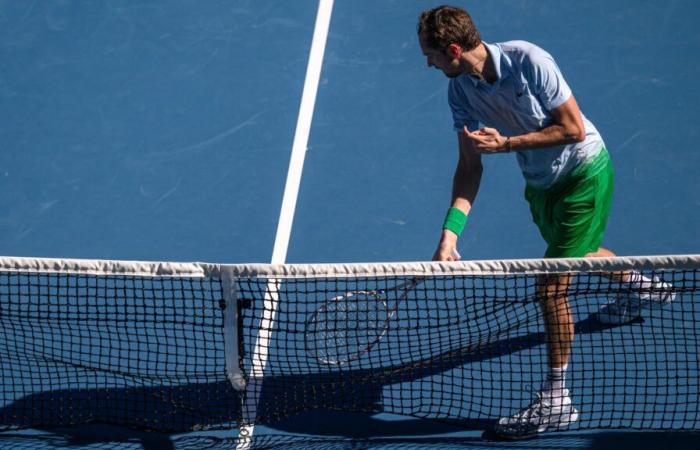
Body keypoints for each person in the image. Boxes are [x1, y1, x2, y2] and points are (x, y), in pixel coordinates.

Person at [417, 5, 675, 438]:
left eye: (433, 54)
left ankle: (556, 401)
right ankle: (643, 287)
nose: (429, 63)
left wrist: (509, 143)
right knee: (580, 251)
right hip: (541, 182)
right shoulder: (460, 91)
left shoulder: (529, 60)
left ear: (455, 50)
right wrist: (449, 234)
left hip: (583, 173)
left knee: (551, 286)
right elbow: (468, 167)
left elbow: (573, 128)